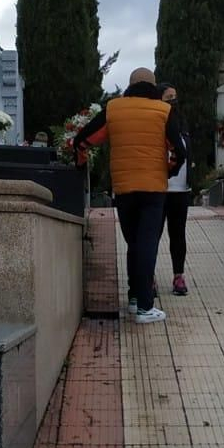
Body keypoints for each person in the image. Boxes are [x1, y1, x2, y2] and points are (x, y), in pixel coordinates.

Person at [74, 68, 186, 324]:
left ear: (130, 85)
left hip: (124, 190)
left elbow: (83, 141)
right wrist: (169, 170)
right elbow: (179, 151)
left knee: (134, 244)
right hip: (153, 189)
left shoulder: (114, 109)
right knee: (147, 244)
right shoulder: (163, 111)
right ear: (154, 87)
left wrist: (80, 167)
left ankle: (135, 298)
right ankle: (146, 308)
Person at [160, 83, 192, 295]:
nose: (173, 101)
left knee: (178, 234)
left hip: (181, 190)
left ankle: (178, 276)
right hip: (158, 188)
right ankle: (148, 278)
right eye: (168, 97)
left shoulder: (182, 128)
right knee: (152, 235)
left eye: (175, 96)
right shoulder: (155, 125)